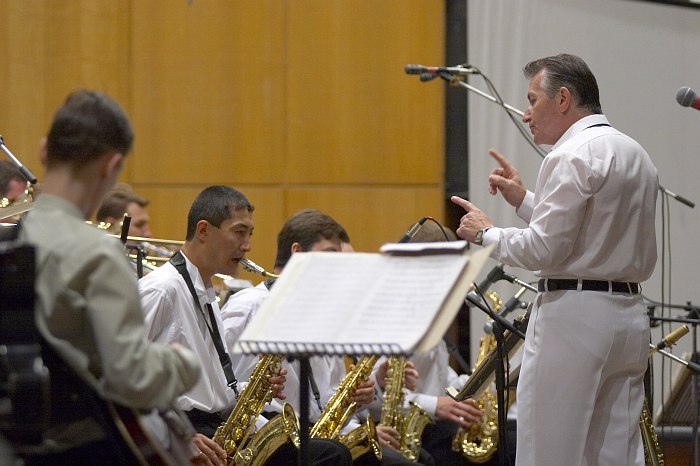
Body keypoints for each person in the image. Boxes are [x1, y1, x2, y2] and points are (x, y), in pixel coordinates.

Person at [451, 54, 658, 465]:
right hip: (629, 317)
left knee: (549, 451)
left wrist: (485, 234)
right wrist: (524, 200)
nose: (526, 114)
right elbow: (592, 233)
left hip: (574, 318)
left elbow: (545, 250)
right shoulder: (635, 153)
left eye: (533, 100)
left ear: (563, 99)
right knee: (615, 455)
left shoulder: (569, 155)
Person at [17, 90, 202, 464]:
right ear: (110, 166)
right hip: (86, 451)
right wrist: (183, 363)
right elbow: (130, 378)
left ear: (42, 152)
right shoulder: (98, 253)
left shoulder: (9, 243)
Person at [139, 189, 352, 466]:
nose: (248, 245)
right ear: (203, 230)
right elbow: (112, 376)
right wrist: (177, 434)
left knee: (330, 452)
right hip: (185, 431)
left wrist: (254, 387)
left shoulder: (205, 294)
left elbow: (213, 388)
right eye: (239, 232)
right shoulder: (162, 290)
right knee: (329, 455)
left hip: (213, 427)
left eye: (250, 234)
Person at [221, 208, 428, 466]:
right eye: (330, 256)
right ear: (297, 253)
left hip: (315, 434)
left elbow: (326, 398)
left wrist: (367, 388)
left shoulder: (321, 315)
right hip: (268, 440)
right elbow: (228, 392)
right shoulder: (249, 307)